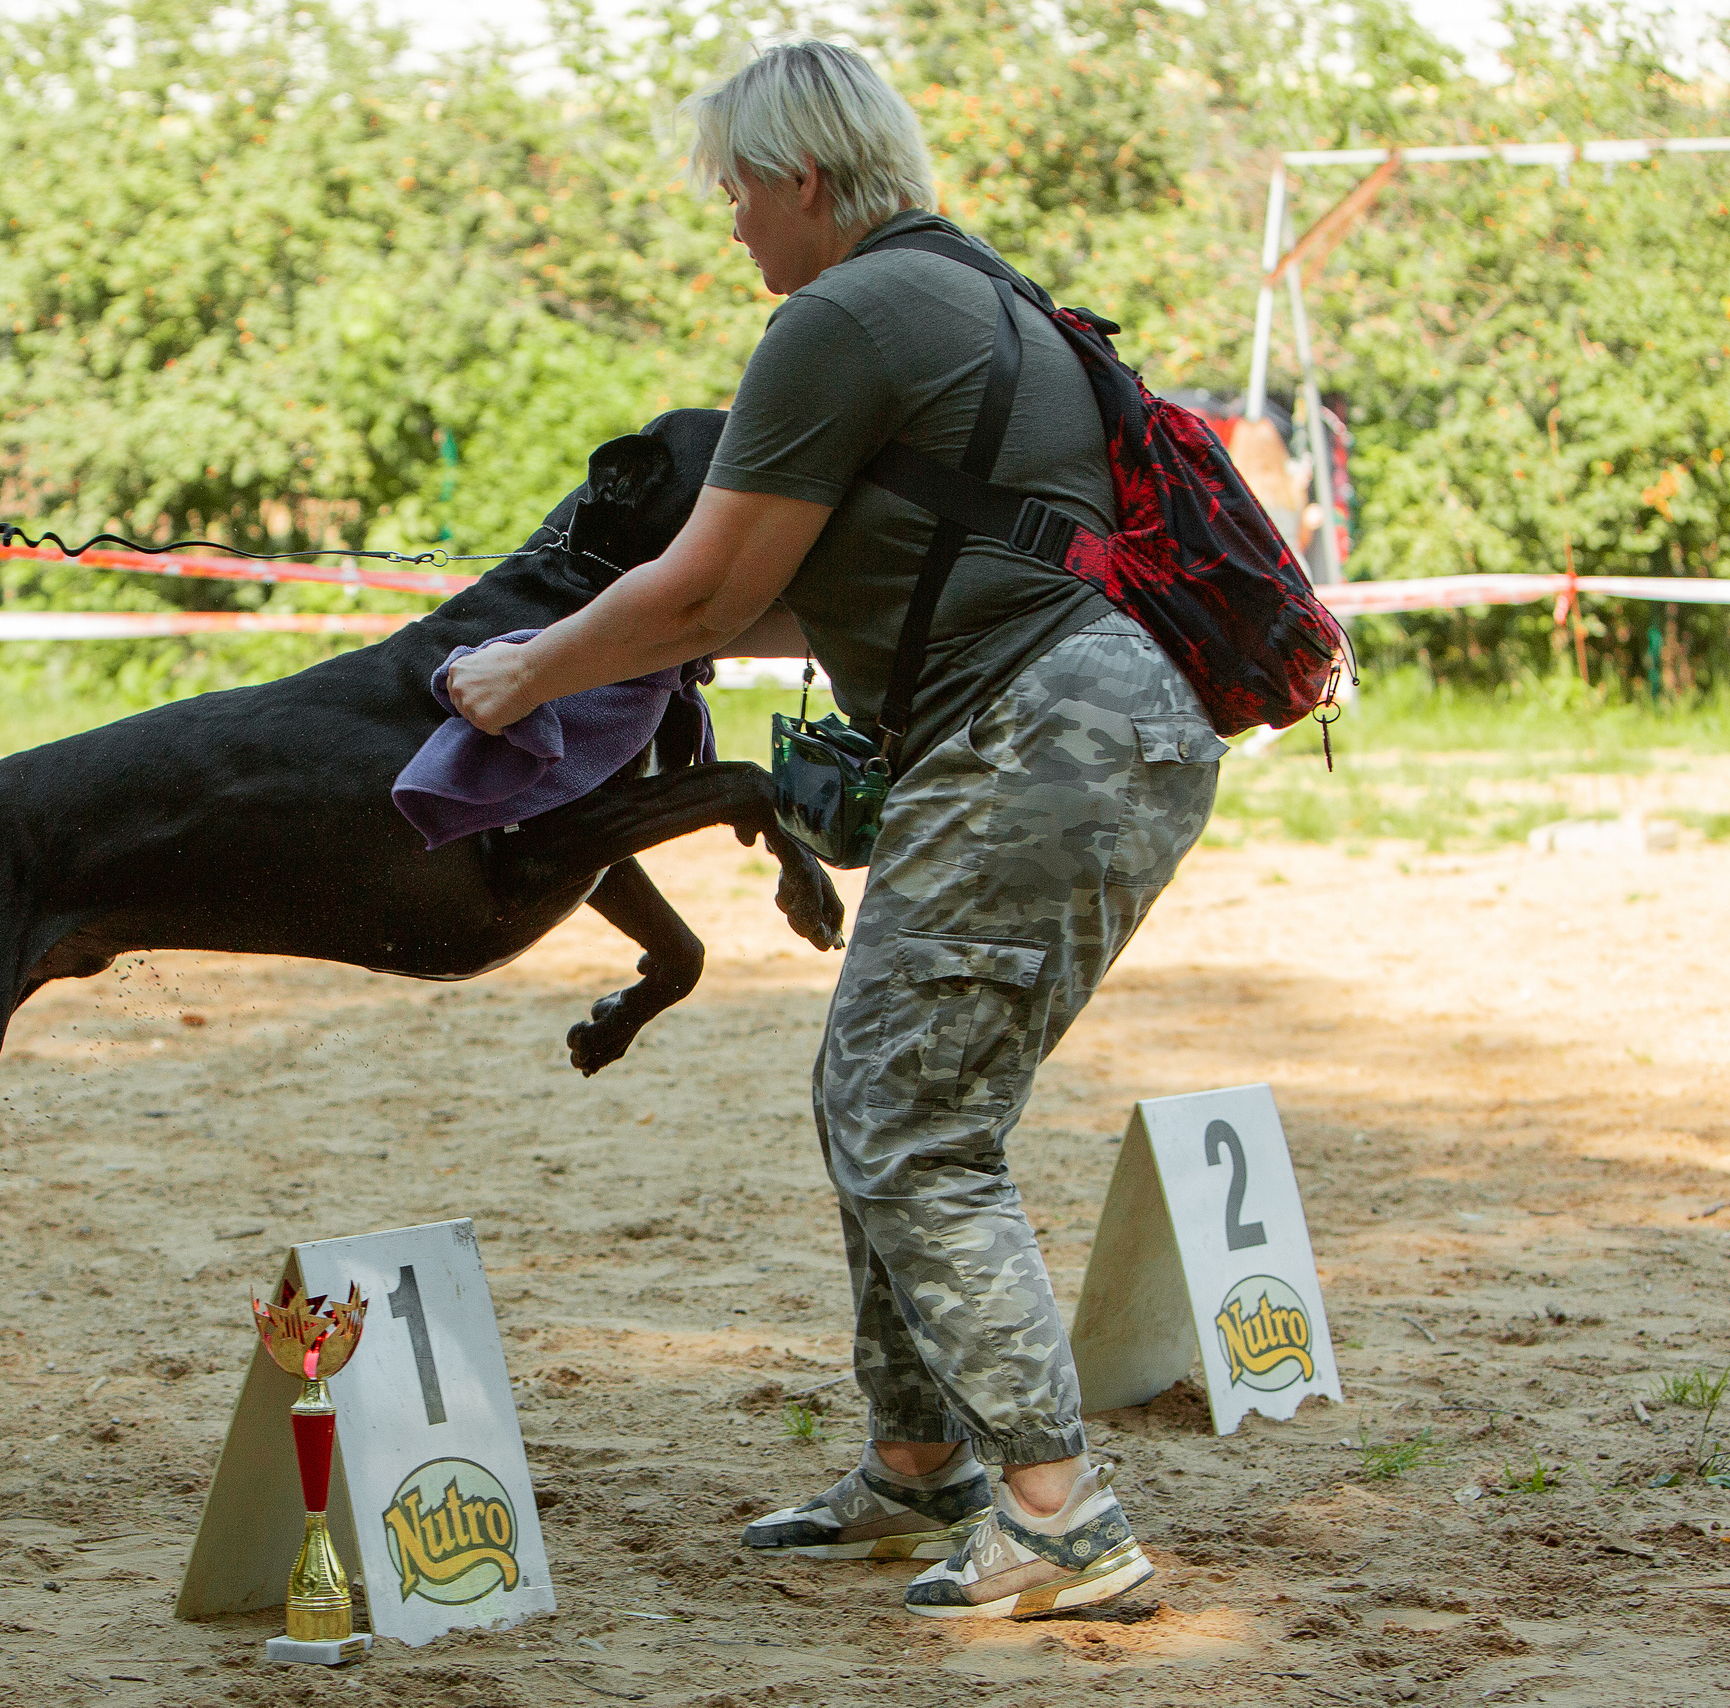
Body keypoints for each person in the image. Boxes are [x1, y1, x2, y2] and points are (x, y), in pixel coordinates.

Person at [444, 39, 1221, 1621]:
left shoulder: (843, 316)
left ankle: (1061, 1516)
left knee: (915, 1123)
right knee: (878, 1091)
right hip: (1086, 729)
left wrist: (521, 672)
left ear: (802, 177)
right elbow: (804, 596)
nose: (730, 218)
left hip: (1037, 742)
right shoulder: (979, 295)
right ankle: (920, 1463)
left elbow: (706, 595)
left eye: (736, 187)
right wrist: (588, 637)